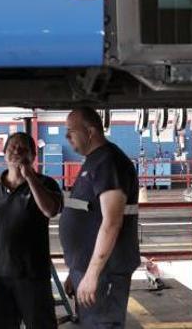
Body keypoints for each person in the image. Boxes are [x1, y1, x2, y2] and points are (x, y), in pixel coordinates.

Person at [0, 132, 63, 328]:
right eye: (12, 147)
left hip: (34, 278)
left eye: (24, 148)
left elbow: (50, 210)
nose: (17, 151)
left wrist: (30, 177)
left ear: (34, 156)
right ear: (4, 154)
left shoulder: (46, 184)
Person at [59, 107, 140, 327]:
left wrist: (92, 274)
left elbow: (112, 222)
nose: (66, 136)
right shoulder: (95, 161)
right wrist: (76, 270)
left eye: (71, 131)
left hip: (106, 273)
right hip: (90, 270)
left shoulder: (109, 162)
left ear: (91, 131)